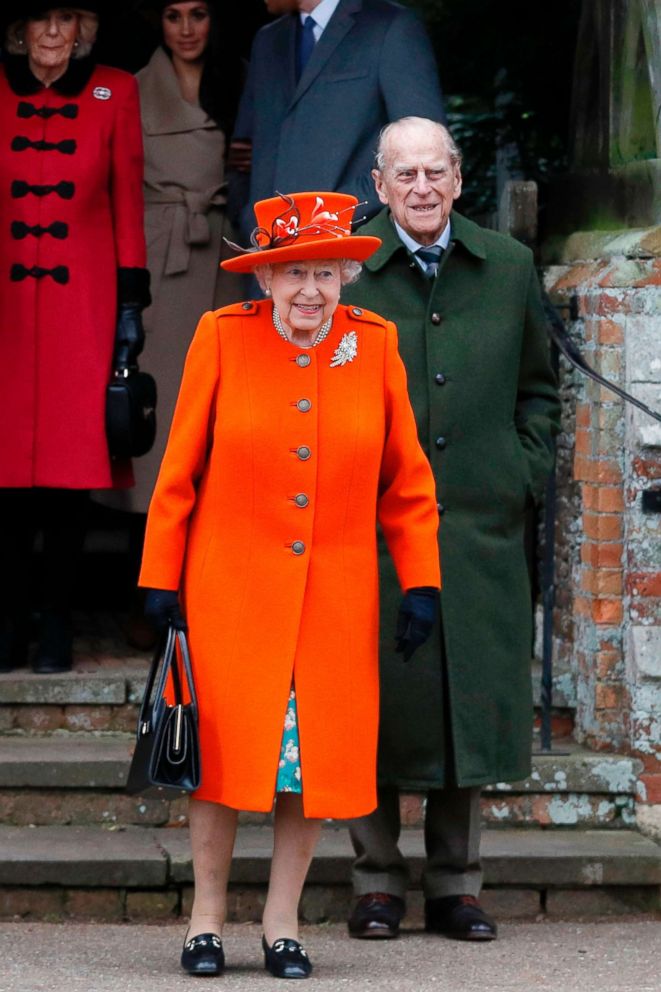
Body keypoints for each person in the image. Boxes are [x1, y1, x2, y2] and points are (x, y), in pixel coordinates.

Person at [138, 190, 441, 978]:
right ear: (265, 280)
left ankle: (282, 923)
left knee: (303, 770)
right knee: (218, 759)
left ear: (347, 274)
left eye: (326, 274)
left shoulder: (373, 344)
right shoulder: (221, 337)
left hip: (333, 598)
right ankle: (205, 921)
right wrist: (159, 574)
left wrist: (421, 583)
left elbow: (406, 482)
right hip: (228, 590)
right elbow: (180, 466)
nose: (311, 291)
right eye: (292, 273)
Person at [342, 117, 561, 941]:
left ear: (459, 178)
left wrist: (519, 470)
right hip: (374, 526)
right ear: (380, 186)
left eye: (436, 172)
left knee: (466, 700)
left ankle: (455, 884)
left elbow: (537, 388)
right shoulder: (349, 268)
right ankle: (374, 881)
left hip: (478, 523)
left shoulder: (506, 267)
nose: (423, 188)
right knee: (376, 700)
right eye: (406, 176)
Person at [0, 2, 148, 674]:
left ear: (84, 29)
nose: (53, 33)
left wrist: (130, 306)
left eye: (66, 20)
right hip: (5, 312)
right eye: (40, 20)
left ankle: (56, 624)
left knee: (68, 475)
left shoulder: (117, 90)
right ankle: (8, 622)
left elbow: (126, 203)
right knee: (4, 479)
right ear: (19, 31)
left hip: (82, 308)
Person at [97, 1, 243, 645]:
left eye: (200, 14)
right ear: (155, 23)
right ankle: (149, 590)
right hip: (160, 262)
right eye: (173, 14)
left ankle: (213, 591)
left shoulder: (242, 80)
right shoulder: (131, 85)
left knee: (221, 420)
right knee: (155, 426)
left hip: (226, 254)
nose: (187, 28)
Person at [228, 0, 446, 240]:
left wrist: (327, 218)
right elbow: (242, 152)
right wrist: (248, 219)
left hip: (355, 253)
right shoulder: (267, 40)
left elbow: (423, 152)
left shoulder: (390, 26)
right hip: (269, 254)